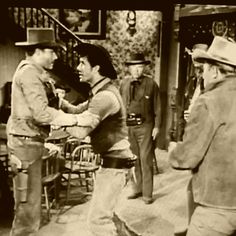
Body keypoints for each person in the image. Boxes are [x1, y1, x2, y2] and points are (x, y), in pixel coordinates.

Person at [6, 27, 85, 236]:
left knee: (31, 204)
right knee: (27, 207)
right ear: (38, 51)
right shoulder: (29, 74)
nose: (56, 56)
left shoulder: (41, 75)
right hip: (25, 145)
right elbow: (42, 114)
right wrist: (75, 119)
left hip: (31, 144)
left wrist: (85, 108)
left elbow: (60, 105)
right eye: (52, 51)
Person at [64, 43, 136, 236]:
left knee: (98, 221)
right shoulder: (102, 91)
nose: (77, 68)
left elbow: (80, 132)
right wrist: (59, 102)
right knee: (107, 215)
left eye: (82, 63)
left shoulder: (104, 97)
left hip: (115, 165)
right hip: (116, 163)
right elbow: (78, 111)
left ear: (96, 68)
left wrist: (55, 121)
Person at [169, 36, 236, 236]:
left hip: (217, 206)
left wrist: (174, 151)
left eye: (204, 69)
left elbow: (187, 157)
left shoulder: (208, 101)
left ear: (215, 70)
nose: (202, 75)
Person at [120, 52, 161, 204]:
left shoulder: (151, 84)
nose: (137, 70)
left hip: (145, 126)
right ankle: (137, 189)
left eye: (140, 67)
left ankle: (148, 194)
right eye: (134, 67)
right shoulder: (124, 84)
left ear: (144, 68)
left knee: (145, 159)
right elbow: (120, 106)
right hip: (129, 127)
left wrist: (157, 127)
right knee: (134, 159)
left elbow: (158, 107)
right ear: (129, 69)